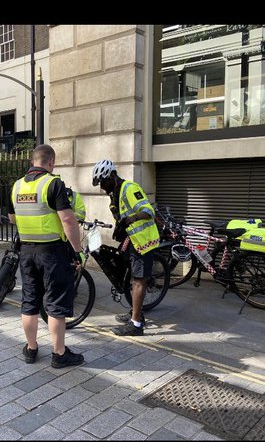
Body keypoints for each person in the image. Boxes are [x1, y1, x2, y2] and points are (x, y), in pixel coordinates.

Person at [10, 144, 85, 368]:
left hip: (26, 251)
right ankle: (59, 354)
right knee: (55, 302)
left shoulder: (16, 186)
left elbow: (12, 218)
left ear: (34, 161)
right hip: (52, 252)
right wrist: (77, 250)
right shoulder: (53, 184)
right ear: (50, 162)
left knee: (30, 300)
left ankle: (31, 348)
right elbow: (68, 220)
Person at [92, 158, 159, 336]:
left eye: (104, 182)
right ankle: (138, 312)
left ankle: (136, 325)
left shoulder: (130, 188)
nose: (102, 187)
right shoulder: (115, 193)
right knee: (123, 269)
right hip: (132, 240)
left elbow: (148, 211)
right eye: (100, 184)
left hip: (144, 241)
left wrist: (131, 219)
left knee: (138, 280)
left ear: (113, 176)